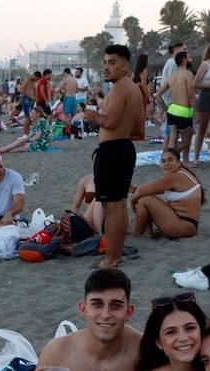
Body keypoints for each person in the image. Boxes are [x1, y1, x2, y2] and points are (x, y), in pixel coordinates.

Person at [85, 45, 144, 268]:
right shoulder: (134, 89)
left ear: (124, 65)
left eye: (111, 62)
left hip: (112, 151)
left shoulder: (119, 88)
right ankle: (115, 254)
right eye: (105, 63)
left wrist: (94, 116)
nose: (106, 68)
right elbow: (139, 129)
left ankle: (111, 257)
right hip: (125, 149)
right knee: (118, 205)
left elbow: (109, 121)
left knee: (112, 207)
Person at [130, 149, 202, 240]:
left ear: (179, 162)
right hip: (186, 225)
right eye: (163, 161)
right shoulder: (183, 174)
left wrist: (132, 203)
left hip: (182, 226)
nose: (166, 164)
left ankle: (137, 233)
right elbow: (148, 190)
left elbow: (141, 190)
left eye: (170, 160)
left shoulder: (176, 177)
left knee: (144, 199)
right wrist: (134, 190)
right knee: (144, 197)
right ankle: (146, 233)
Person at [158, 51, 197, 162]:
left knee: (172, 140)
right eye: (189, 57)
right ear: (184, 60)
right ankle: (170, 158)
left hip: (172, 110)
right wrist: (196, 113)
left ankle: (168, 160)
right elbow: (191, 95)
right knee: (186, 141)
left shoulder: (172, 76)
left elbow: (157, 95)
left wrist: (165, 109)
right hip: (184, 111)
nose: (191, 59)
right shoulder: (188, 74)